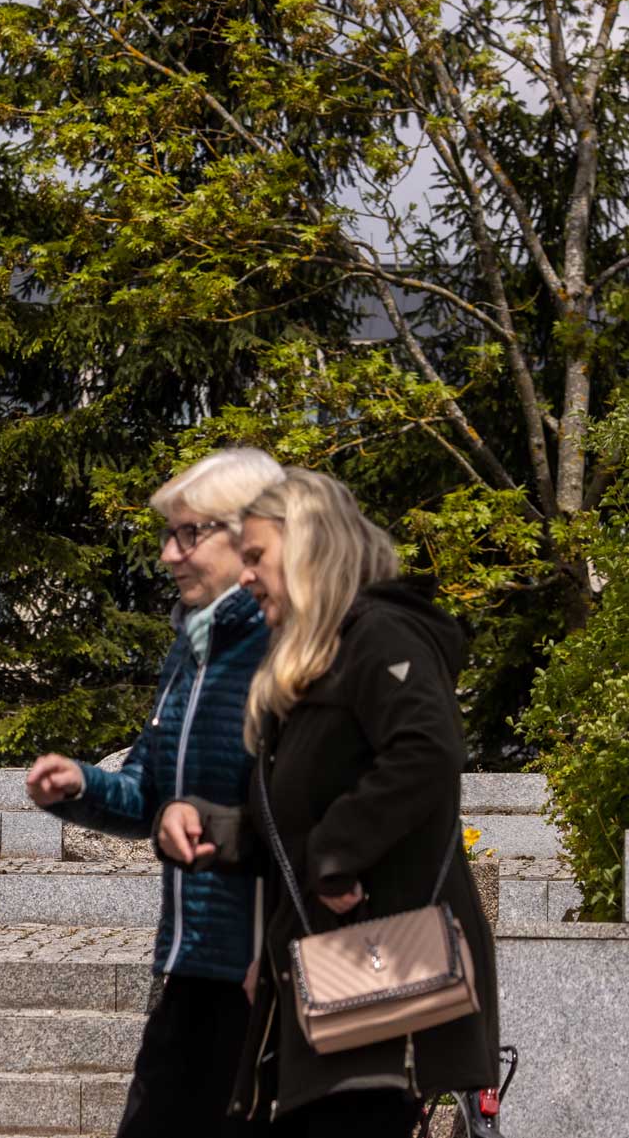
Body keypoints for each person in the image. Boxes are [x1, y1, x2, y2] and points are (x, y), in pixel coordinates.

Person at [156, 469, 499, 1136]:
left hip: (380, 985)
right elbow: (282, 831)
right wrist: (212, 829)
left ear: (308, 544)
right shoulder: (312, 667)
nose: (245, 575)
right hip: (323, 990)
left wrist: (336, 854)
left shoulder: (381, 636)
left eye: (256, 556)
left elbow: (428, 749)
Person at [24, 447, 284, 1137]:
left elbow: (301, 809)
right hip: (189, 961)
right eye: (167, 534)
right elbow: (148, 793)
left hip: (263, 973)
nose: (169, 553)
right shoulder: (190, 648)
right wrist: (79, 785)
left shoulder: (280, 647)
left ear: (248, 535)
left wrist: (200, 820)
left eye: (188, 533)